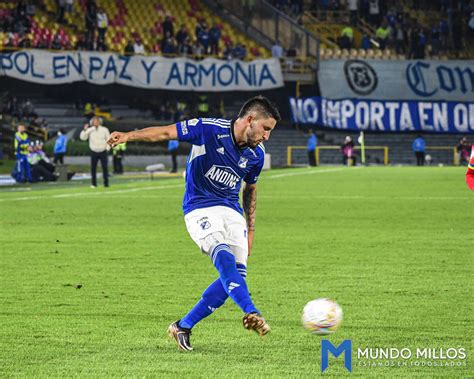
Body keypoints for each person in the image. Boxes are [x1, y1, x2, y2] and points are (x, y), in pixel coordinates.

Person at [107, 96, 280, 351]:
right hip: (199, 207)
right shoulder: (209, 129)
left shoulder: (256, 154)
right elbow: (166, 132)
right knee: (224, 259)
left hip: (231, 211)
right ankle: (251, 311)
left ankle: (182, 326)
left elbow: (250, 189)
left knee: (235, 276)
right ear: (251, 120)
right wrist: (128, 136)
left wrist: (251, 228)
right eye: (266, 129)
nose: (267, 136)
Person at [80, 116, 110, 187]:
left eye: (97, 121)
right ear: (92, 122)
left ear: (100, 122)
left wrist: (107, 148)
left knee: (105, 168)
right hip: (94, 151)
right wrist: (85, 130)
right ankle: (94, 184)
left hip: (103, 151)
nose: (96, 122)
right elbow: (83, 138)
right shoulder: (90, 130)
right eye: (94, 121)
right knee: (93, 168)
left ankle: (106, 183)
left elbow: (109, 139)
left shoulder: (104, 129)